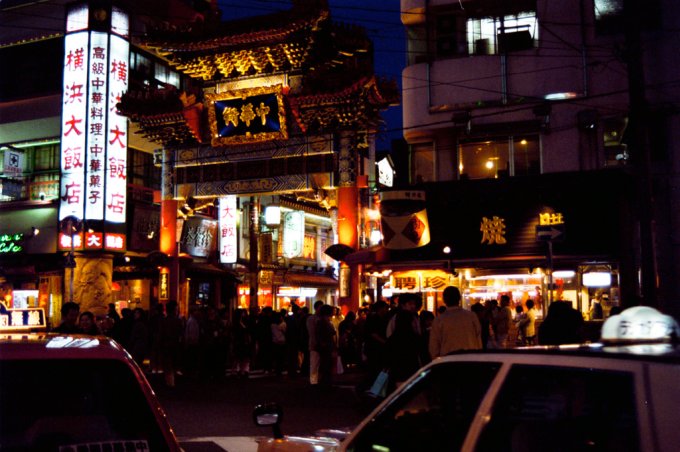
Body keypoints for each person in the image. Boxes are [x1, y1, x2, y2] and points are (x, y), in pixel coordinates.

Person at [429, 286, 482, 359]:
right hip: (470, 358)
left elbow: (434, 346)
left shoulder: (439, 320)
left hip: (448, 361)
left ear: (444, 300)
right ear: (459, 298)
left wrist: (437, 360)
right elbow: (478, 339)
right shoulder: (471, 316)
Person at [385, 293, 424, 391]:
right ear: (402, 305)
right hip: (407, 360)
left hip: (398, 361)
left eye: (414, 304)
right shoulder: (402, 317)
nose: (413, 306)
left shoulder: (407, 317)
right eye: (410, 304)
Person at [315, 304, 337, 389]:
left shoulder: (324, 321)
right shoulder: (323, 322)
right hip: (326, 346)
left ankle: (326, 383)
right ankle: (325, 384)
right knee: (326, 365)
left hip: (326, 345)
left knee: (327, 365)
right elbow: (321, 334)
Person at [306, 300, 325, 385]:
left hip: (321, 344)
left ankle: (318, 380)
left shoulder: (322, 318)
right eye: (320, 308)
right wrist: (315, 343)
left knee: (319, 364)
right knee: (314, 364)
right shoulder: (312, 319)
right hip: (315, 345)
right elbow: (312, 332)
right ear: (316, 308)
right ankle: (313, 381)